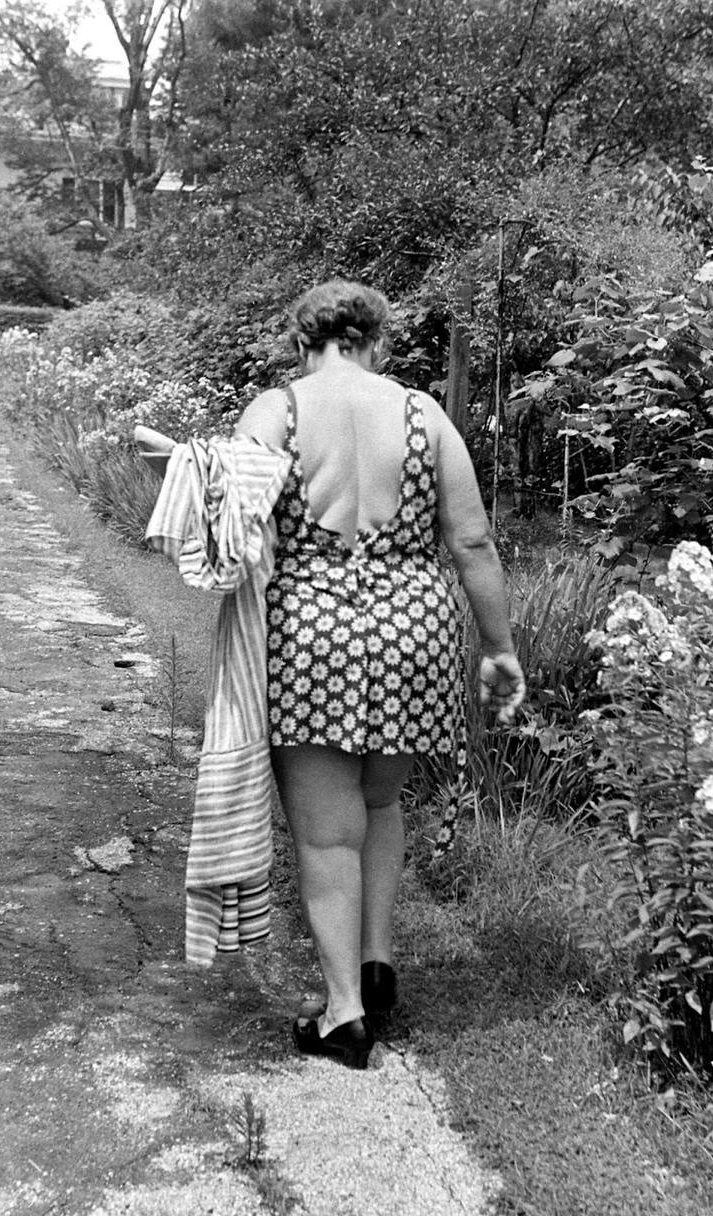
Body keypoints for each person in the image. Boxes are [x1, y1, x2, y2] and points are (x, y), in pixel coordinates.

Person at [233, 279, 525, 1069]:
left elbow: (234, 521)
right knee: (381, 798)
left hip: (313, 635)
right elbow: (472, 544)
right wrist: (499, 648)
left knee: (327, 833)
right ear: (379, 343)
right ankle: (376, 959)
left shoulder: (276, 410)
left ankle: (343, 1016)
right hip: (415, 632)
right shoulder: (422, 414)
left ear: (304, 342)